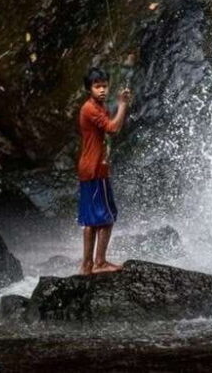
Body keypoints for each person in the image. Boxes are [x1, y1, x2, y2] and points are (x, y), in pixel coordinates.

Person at [77, 66, 132, 275]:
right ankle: (98, 262)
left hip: (90, 167)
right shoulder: (90, 109)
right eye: (97, 86)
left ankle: (87, 265)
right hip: (95, 169)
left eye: (104, 86)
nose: (102, 90)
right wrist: (122, 105)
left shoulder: (96, 107)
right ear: (88, 89)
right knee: (107, 217)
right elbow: (113, 128)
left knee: (91, 219)